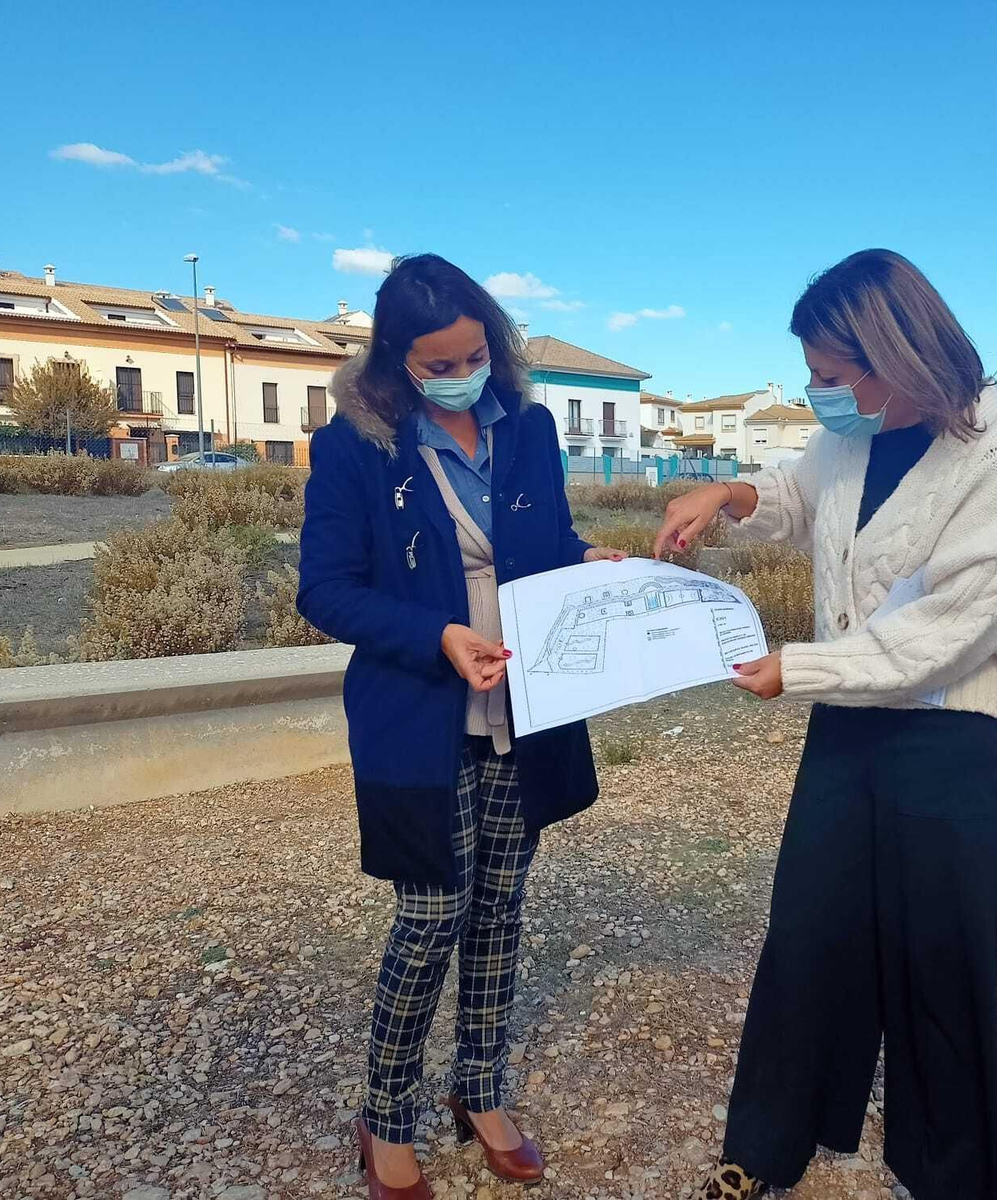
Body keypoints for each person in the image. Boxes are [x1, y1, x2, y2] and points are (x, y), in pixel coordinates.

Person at [655, 249, 997, 1200]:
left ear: (899, 358)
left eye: (832, 377)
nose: (818, 395)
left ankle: (952, 1174)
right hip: (849, 723)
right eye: (812, 375)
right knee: (808, 932)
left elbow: (955, 628)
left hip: (951, 739)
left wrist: (799, 668)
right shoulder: (853, 436)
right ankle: (765, 1148)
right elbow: (802, 499)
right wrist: (729, 495)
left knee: (941, 962)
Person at [298, 254, 625, 1198]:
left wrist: (585, 561)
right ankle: (385, 1114)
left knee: (499, 909)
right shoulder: (354, 445)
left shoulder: (526, 425)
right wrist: (436, 635)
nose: (461, 375)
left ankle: (478, 1090)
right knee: (431, 913)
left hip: (525, 704)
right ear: (395, 359)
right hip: (419, 714)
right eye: (438, 364)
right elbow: (325, 590)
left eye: (475, 355)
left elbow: (546, 541)